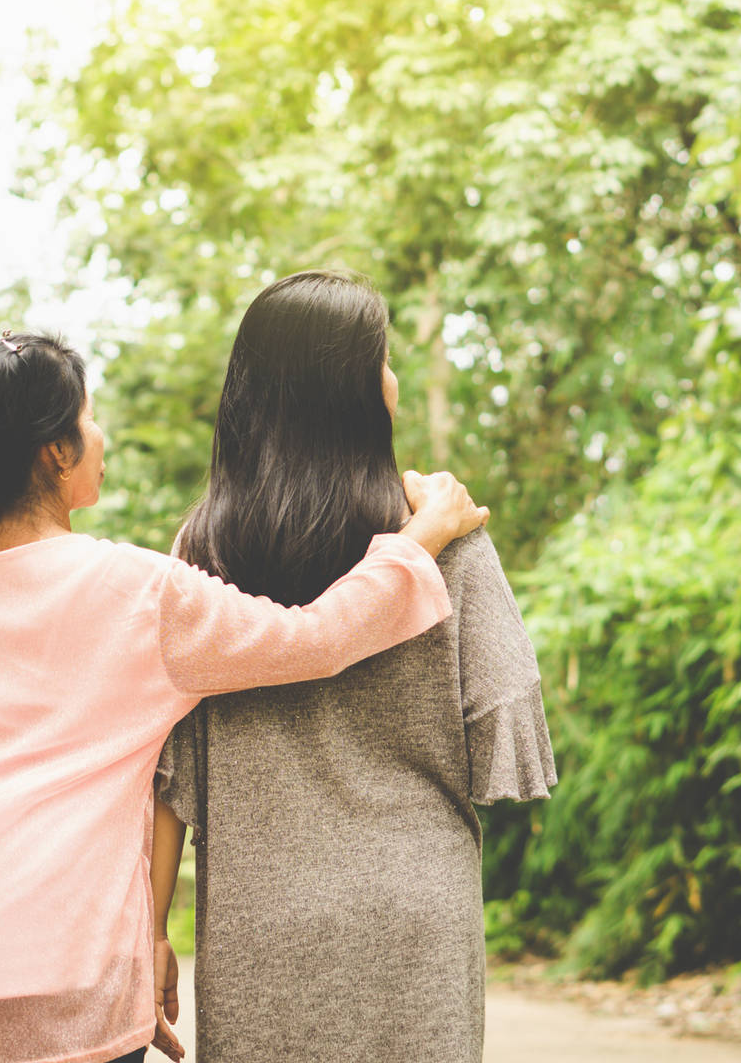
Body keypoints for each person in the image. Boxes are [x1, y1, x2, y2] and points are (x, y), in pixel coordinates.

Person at [0, 329, 489, 1063]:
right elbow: (316, 639)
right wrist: (417, 541)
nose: (101, 434)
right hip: (61, 969)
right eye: (89, 420)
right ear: (57, 450)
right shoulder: (138, 593)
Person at [150, 271, 557, 1061]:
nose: (394, 379)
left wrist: (151, 926)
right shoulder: (442, 533)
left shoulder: (202, 555)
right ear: (351, 390)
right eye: (382, 360)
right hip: (414, 913)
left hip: (258, 923)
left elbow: (165, 768)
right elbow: (505, 721)